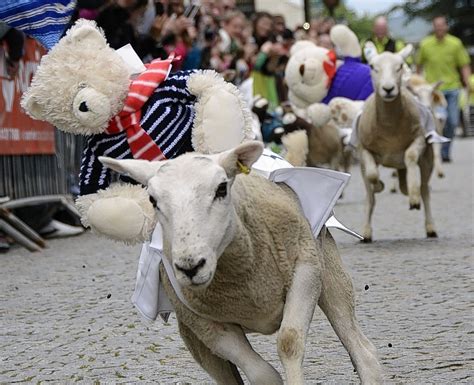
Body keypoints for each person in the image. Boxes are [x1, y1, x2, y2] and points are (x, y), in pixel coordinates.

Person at [416, 15, 471, 162]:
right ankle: (432, 151)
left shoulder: (455, 43)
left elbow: (464, 65)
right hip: (432, 91)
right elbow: (419, 66)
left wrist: (468, 83)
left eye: (442, 25)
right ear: (433, 27)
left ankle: (445, 150)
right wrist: (417, 84)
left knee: (452, 121)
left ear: (446, 27)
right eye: (436, 25)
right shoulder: (425, 44)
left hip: (452, 88)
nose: (439, 28)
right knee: (434, 122)